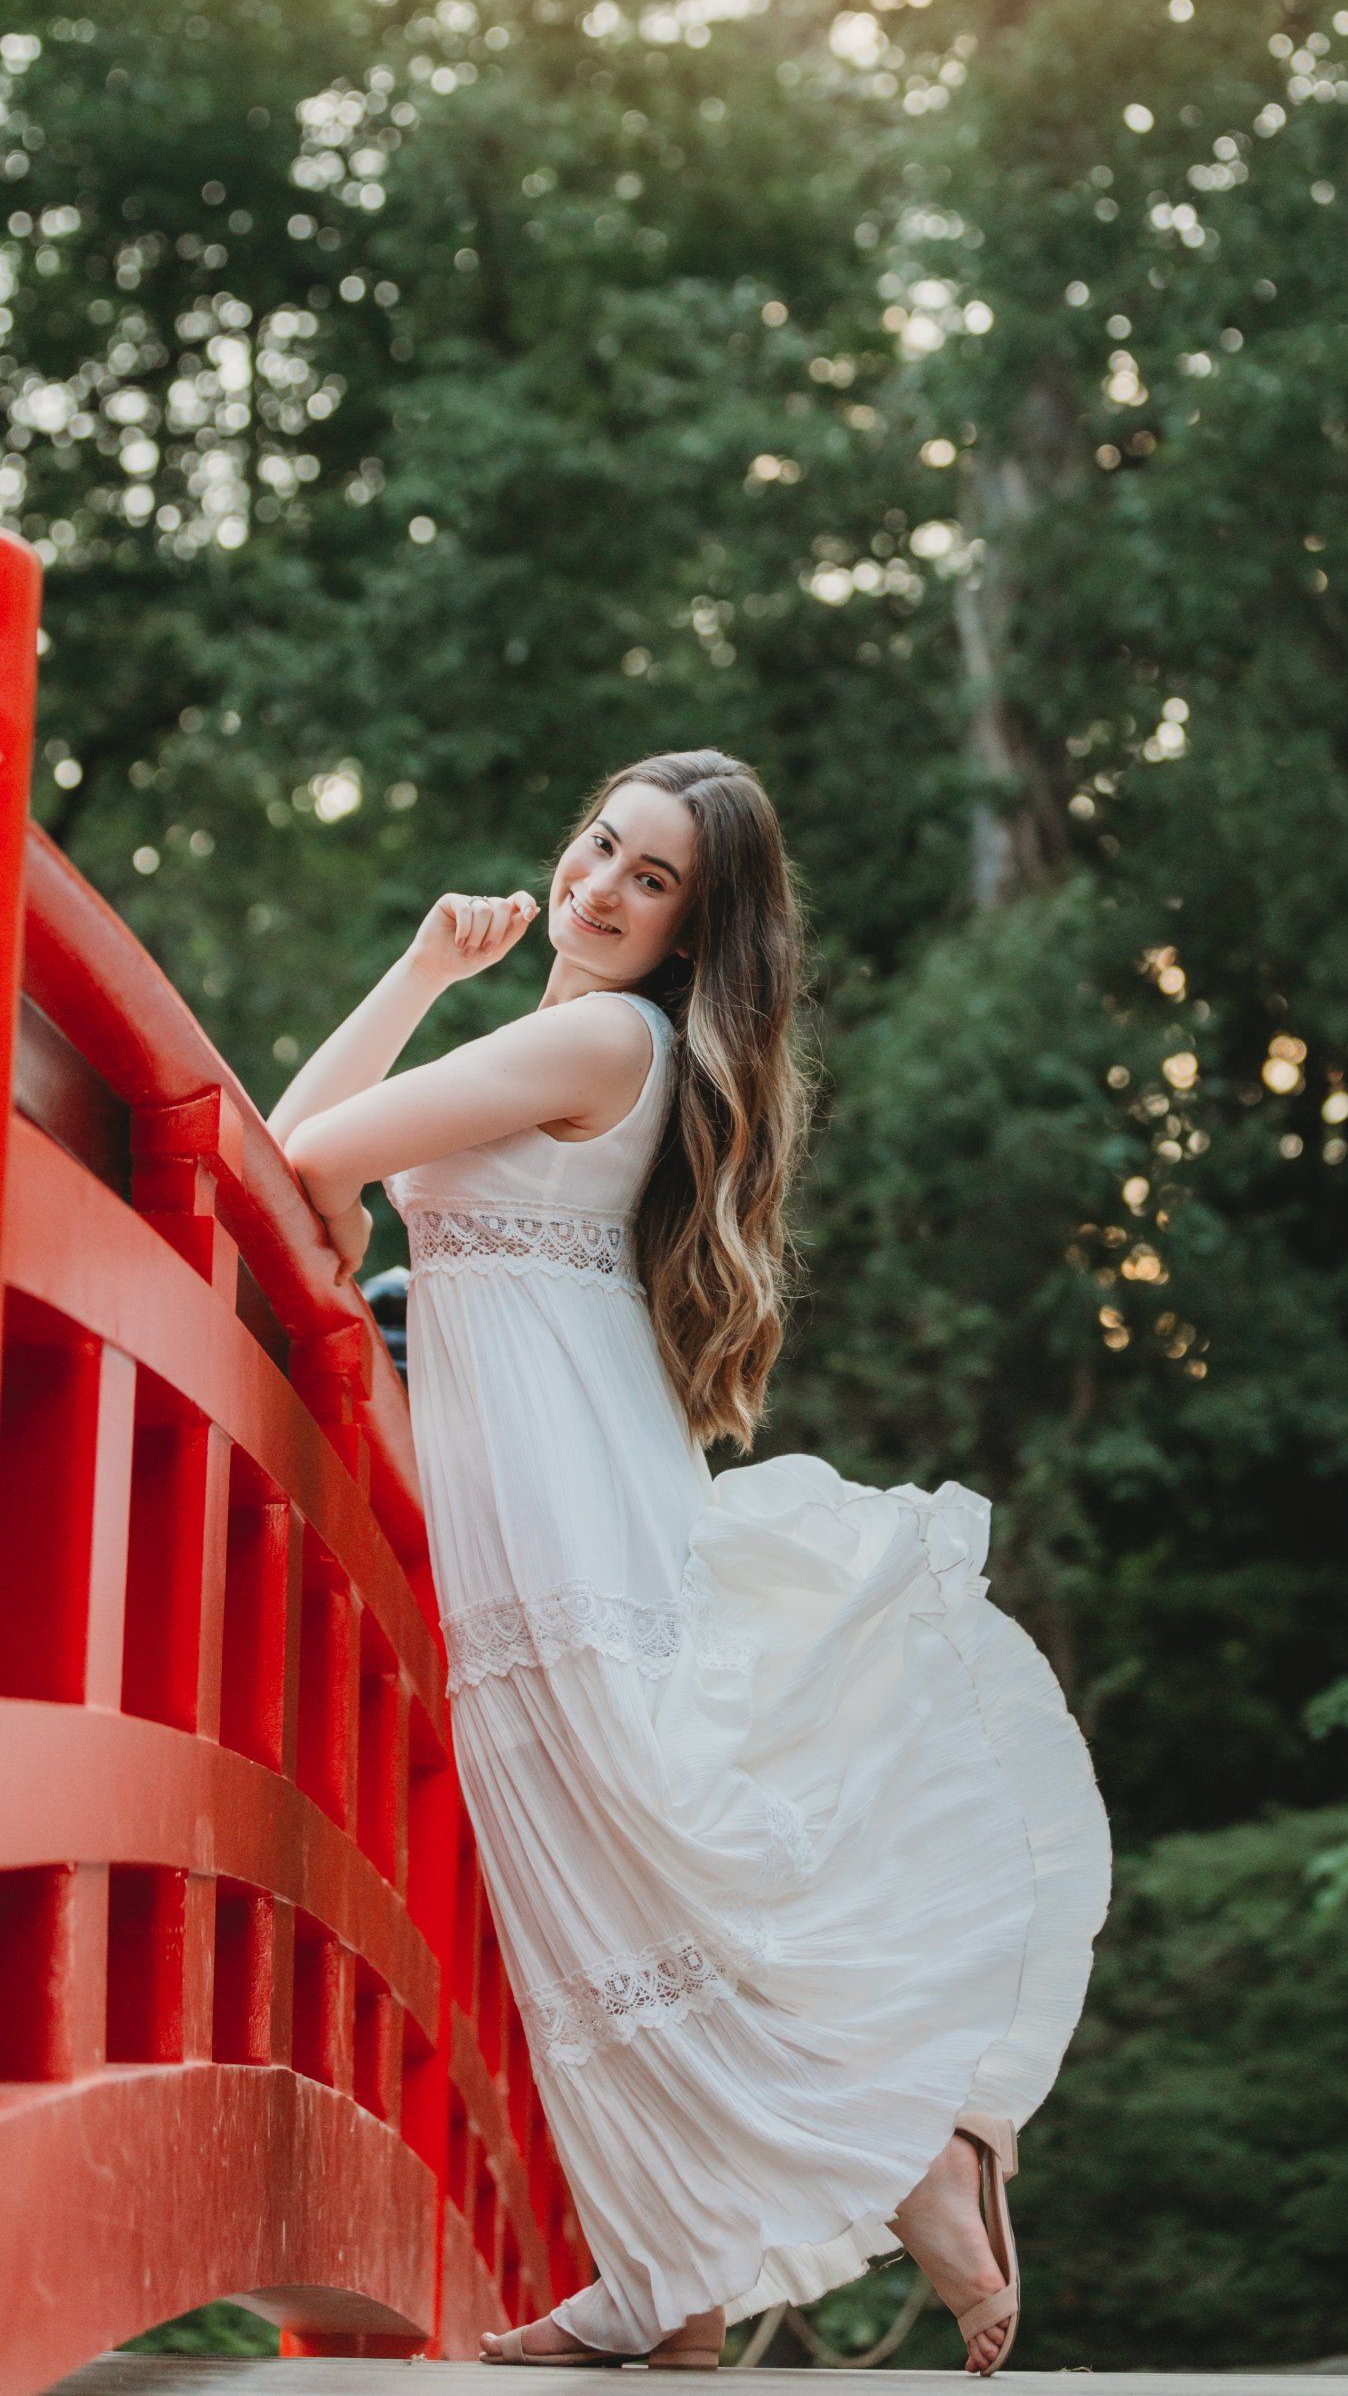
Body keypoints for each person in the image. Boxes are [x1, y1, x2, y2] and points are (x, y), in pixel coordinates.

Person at [270, 748, 1111, 2375]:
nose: (597, 887)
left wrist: (430, 976)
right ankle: (675, 2274)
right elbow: (301, 1147)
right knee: (598, 1879)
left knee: (640, 1859)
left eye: (648, 880)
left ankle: (922, 2149)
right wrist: (438, 971)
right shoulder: (600, 1035)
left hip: (558, 1500)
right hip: (559, 1483)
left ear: (691, 930)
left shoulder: (593, 1034)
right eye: (598, 846)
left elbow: (300, 1150)